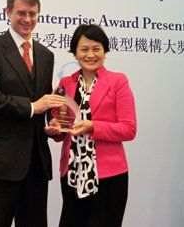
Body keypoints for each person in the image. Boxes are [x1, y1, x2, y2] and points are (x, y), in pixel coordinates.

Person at [0, 0, 65, 227]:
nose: (27, 19)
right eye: (21, 13)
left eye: (33, 14)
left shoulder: (46, 55)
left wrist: (52, 123)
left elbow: (44, 101)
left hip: (35, 163)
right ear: (8, 13)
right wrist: (33, 107)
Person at [45, 24, 137, 227]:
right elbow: (61, 126)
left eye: (96, 48)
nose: (90, 54)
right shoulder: (65, 85)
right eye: (84, 49)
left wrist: (93, 126)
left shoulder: (118, 82)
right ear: (75, 52)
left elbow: (129, 129)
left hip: (108, 177)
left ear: (105, 51)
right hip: (72, 172)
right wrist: (55, 130)